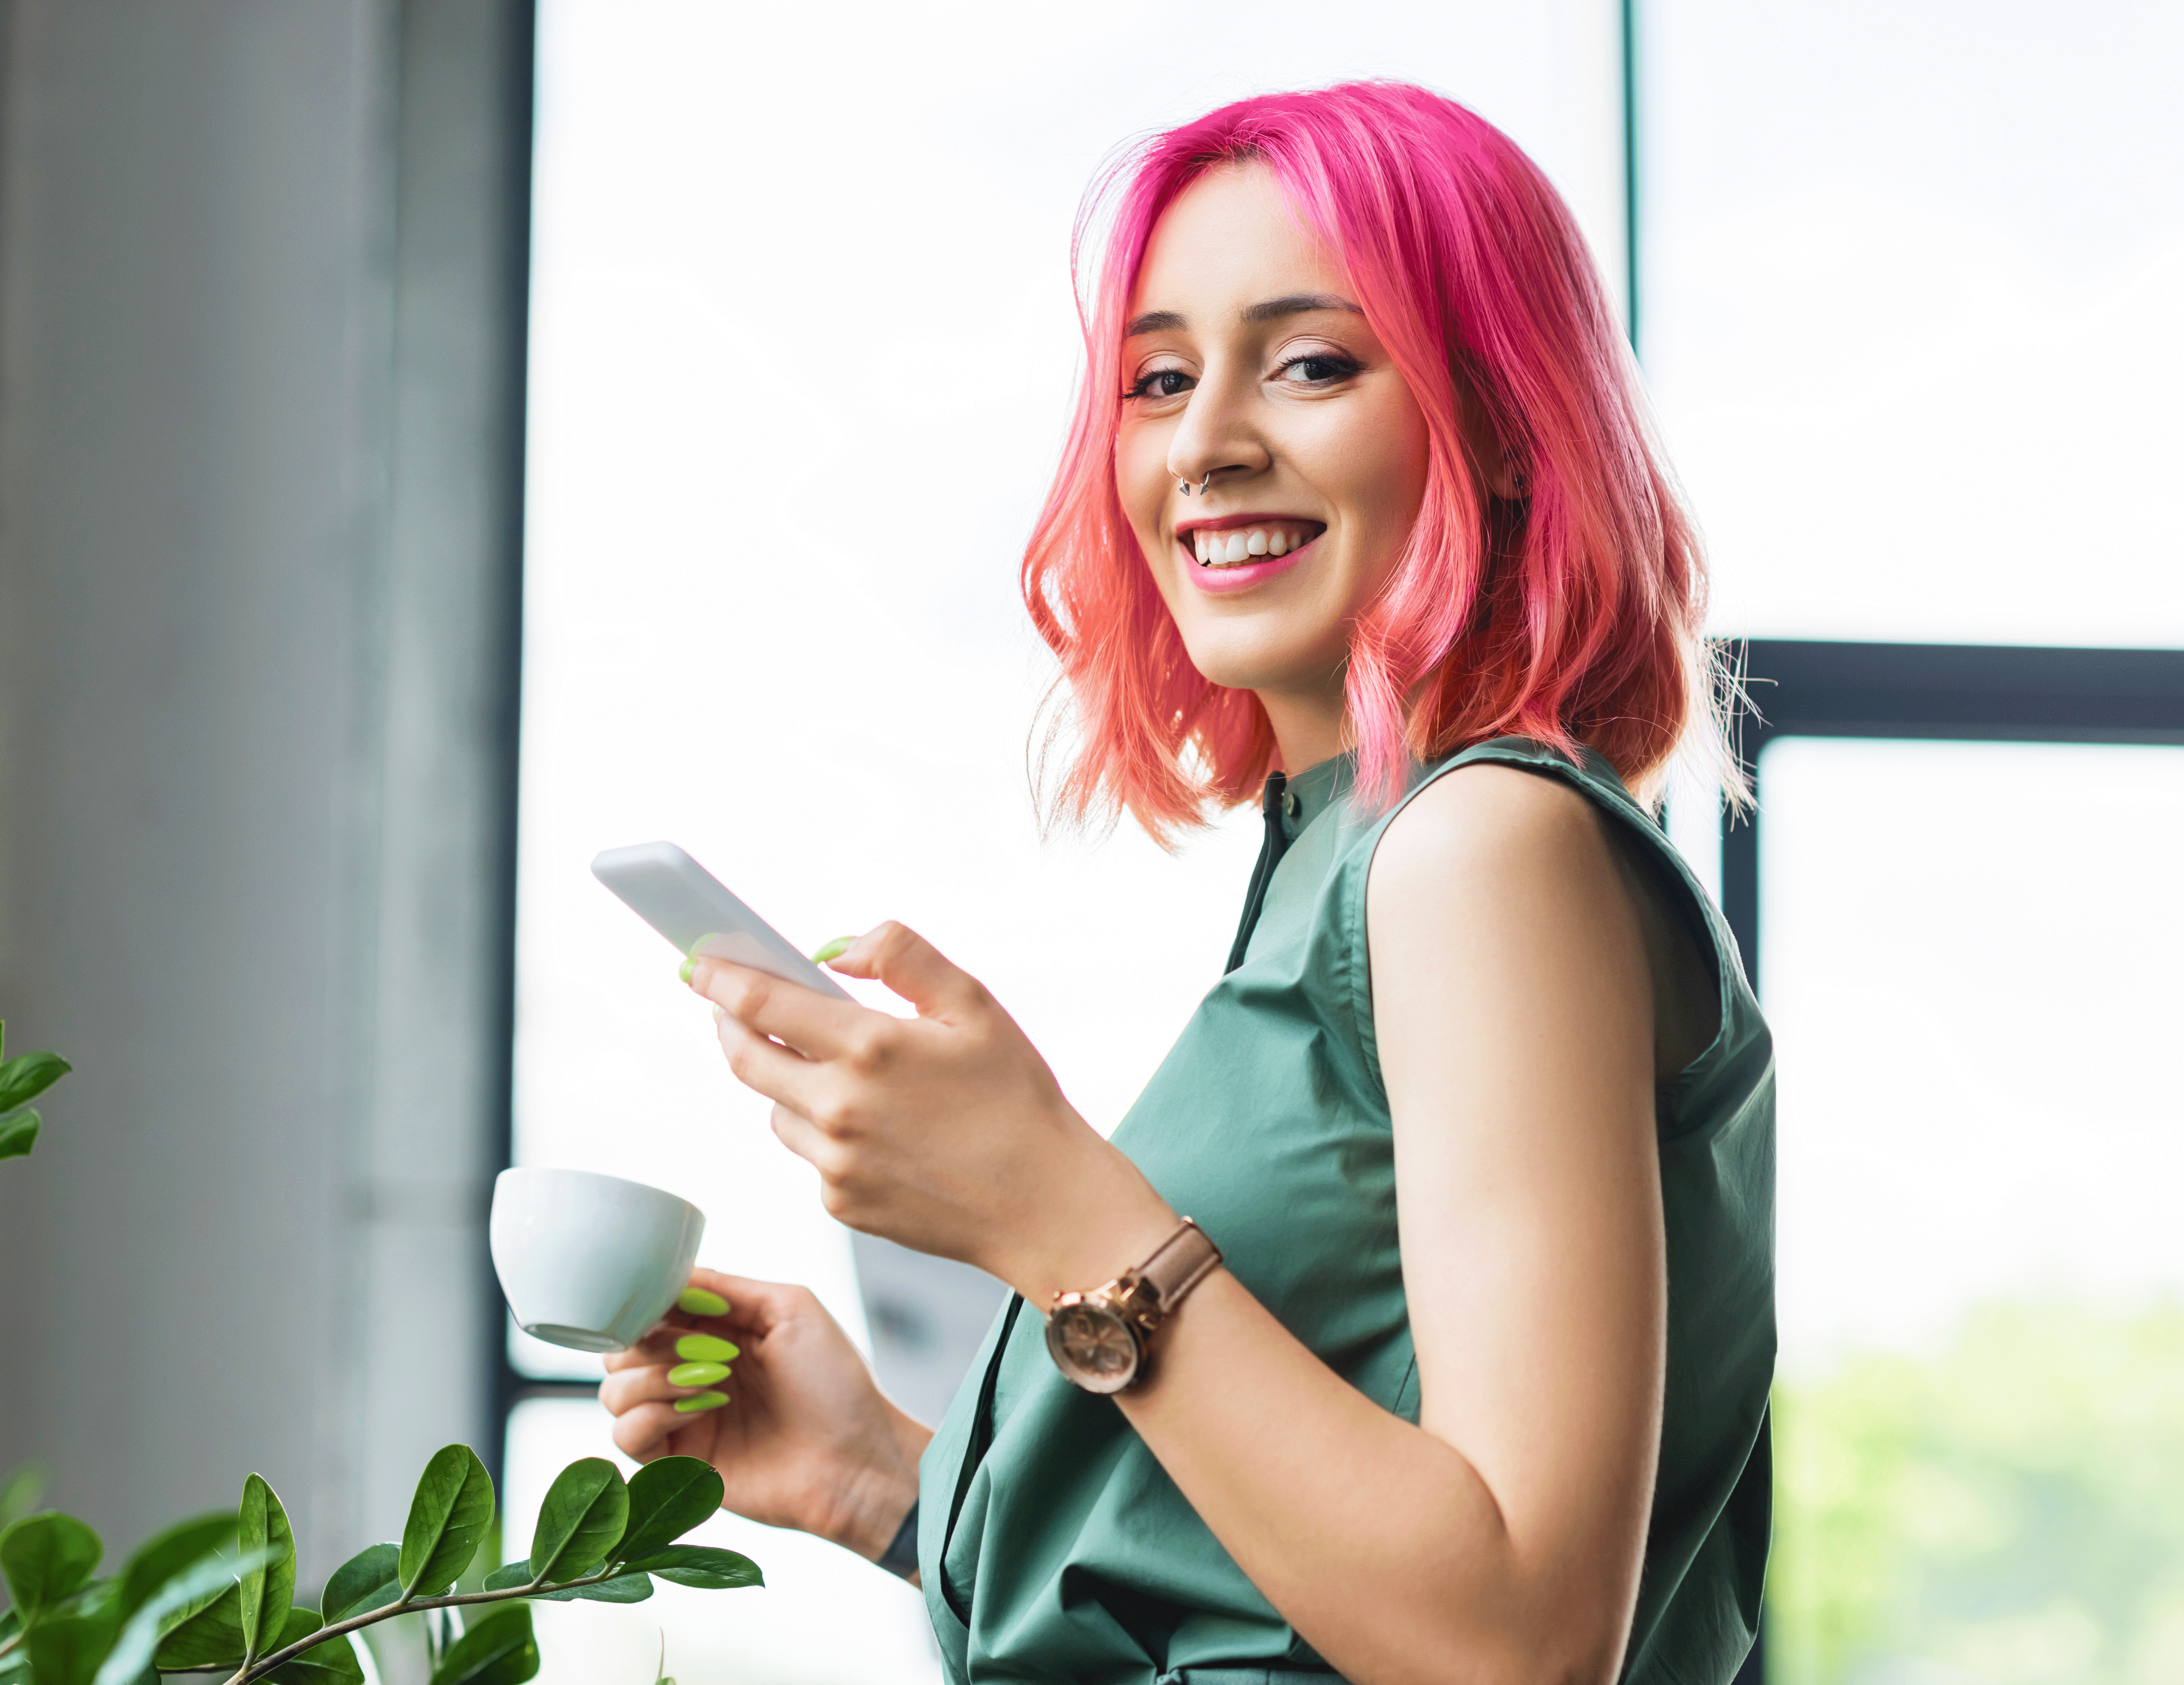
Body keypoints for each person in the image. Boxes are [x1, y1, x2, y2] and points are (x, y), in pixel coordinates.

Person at [600, 81, 1772, 1685]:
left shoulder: (1482, 846)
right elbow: (1293, 1583)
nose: (1206, 445)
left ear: (1504, 428)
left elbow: (1516, 1641)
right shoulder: (1340, 859)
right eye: (1158, 379)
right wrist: (886, 1475)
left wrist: (1048, 1203)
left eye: (1309, 362)